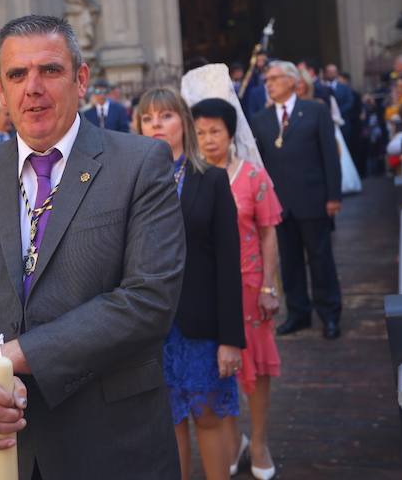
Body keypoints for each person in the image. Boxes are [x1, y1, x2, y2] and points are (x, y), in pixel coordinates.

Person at [0, 15, 185, 479]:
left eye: (50, 70)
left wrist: (8, 358)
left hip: (111, 445)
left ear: (80, 78)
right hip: (3, 448)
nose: (33, 88)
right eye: (17, 75)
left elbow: (148, 301)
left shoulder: (140, 164)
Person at [136, 88, 243, 480]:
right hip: (151, 325)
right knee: (168, 425)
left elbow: (229, 264)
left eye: (165, 116)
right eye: (148, 119)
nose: (156, 125)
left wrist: (231, 337)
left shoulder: (211, 180)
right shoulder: (131, 182)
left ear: (183, 122)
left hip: (201, 323)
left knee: (208, 417)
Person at [191, 97, 281, 480]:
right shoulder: (189, 180)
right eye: (200, 132)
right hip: (207, 294)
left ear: (231, 133)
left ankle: (259, 441)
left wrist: (269, 286)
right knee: (217, 371)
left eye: (215, 131)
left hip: (248, 285)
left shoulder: (252, 177)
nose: (208, 140)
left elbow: (268, 234)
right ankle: (232, 439)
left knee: (257, 370)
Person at [250, 60, 343, 340]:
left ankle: (329, 315)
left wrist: (334, 196)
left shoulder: (315, 111)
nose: (270, 83)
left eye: (275, 78)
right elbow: (259, 164)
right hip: (279, 205)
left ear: (292, 81)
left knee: (321, 260)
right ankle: (298, 314)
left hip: (313, 199)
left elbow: (330, 155)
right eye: (267, 80)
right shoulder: (261, 118)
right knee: (289, 263)